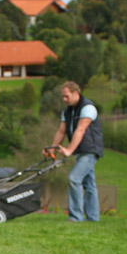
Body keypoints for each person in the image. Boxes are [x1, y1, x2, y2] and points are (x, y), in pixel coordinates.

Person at [48, 81, 103, 222]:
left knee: (74, 178)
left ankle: (76, 217)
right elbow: (62, 130)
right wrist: (52, 149)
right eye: (63, 97)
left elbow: (81, 130)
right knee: (89, 184)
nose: (64, 100)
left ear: (75, 93)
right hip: (80, 151)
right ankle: (93, 218)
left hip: (90, 150)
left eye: (66, 96)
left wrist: (69, 150)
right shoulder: (67, 111)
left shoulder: (88, 108)